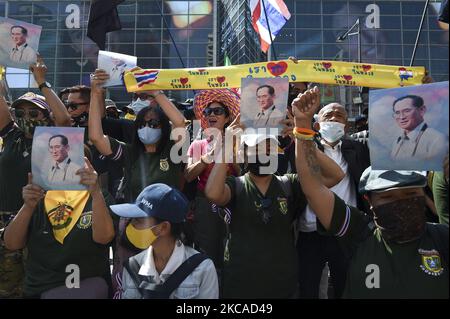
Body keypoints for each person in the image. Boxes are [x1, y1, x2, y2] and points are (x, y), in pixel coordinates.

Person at [293, 86, 449, 299]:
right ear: (369, 200)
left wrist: (433, 99)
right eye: (387, 196)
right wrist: (302, 126)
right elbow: (312, 187)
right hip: (313, 232)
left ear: (422, 193)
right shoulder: (360, 234)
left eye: (409, 194)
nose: (399, 203)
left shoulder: (440, 238)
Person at [204, 113, 345, 298]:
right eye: (257, 147)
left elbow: (335, 175)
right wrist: (228, 143)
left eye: (270, 147)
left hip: (283, 285)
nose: (264, 152)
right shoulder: (236, 185)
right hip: (241, 286)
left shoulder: (290, 184)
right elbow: (213, 193)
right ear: (243, 153)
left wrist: (302, 140)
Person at [0, 59, 71, 298]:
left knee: (38, 287)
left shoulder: (52, 137)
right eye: (20, 111)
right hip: (7, 220)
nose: (26, 116)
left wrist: (41, 82)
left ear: (46, 114)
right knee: (6, 287)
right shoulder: (11, 134)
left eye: (33, 111)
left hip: (42, 223)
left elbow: (64, 119)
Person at [3, 153, 115, 299]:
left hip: (89, 286)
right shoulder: (37, 196)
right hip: (41, 288)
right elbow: (12, 243)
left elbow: (104, 238)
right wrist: (28, 206)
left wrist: (96, 193)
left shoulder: (99, 197)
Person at [296, 102, 371, 299]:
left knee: (345, 286)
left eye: (340, 116)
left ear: (347, 126)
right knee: (308, 287)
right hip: (310, 230)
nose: (334, 119)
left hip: (347, 230)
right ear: (317, 124)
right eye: (329, 115)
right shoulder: (304, 147)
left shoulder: (359, 148)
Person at [112, 183, 219, 299]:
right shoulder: (132, 267)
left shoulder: (203, 269)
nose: (130, 226)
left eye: (138, 220)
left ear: (163, 228)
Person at [184, 89, 240, 276]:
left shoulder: (238, 143)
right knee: (208, 254)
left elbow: (243, 173)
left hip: (234, 202)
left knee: (234, 251)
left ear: (227, 117)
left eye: (217, 111)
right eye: (208, 112)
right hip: (205, 206)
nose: (211, 115)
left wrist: (228, 149)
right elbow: (189, 175)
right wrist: (209, 154)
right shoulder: (197, 145)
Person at [390, 95, 448, 161]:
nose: (401, 117)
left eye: (407, 111)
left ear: (421, 110)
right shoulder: (397, 142)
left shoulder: (437, 139)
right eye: (397, 113)